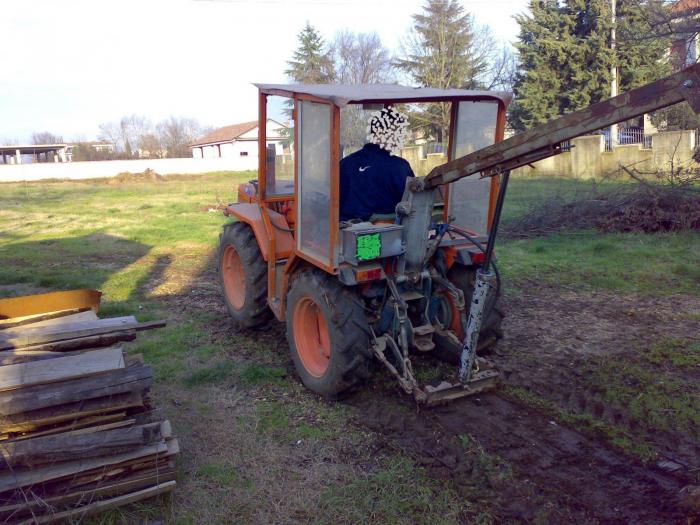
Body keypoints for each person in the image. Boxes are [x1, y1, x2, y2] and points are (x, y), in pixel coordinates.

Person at [340, 106, 415, 222]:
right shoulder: (399, 167)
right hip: (385, 235)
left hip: (344, 232)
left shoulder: (345, 164)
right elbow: (411, 204)